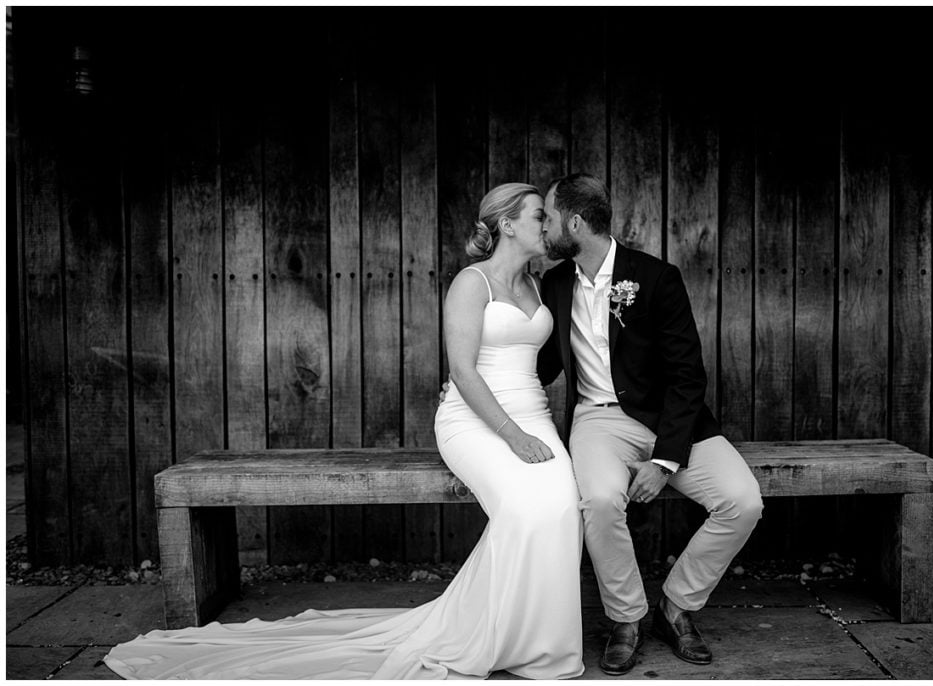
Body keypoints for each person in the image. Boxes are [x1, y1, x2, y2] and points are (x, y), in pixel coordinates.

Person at [102, 183, 585, 680]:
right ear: (506, 224)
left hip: (533, 415)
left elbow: (543, 357)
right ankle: (499, 637)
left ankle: (537, 640)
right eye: (538, 216)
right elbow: (463, 371)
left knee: (564, 505)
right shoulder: (471, 283)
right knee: (524, 507)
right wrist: (511, 435)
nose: (546, 224)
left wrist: (535, 427)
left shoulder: (539, 283)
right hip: (478, 420)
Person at [535, 172, 763, 675]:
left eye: (549, 217)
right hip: (597, 421)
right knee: (597, 500)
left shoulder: (657, 278)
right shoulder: (553, 283)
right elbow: (543, 364)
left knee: (743, 502)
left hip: (672, 420)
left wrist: (664, 459)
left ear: (575, 221)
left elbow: (688, 375)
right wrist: (481, 385)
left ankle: (676, 606)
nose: (544, 228)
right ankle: (626, 618)